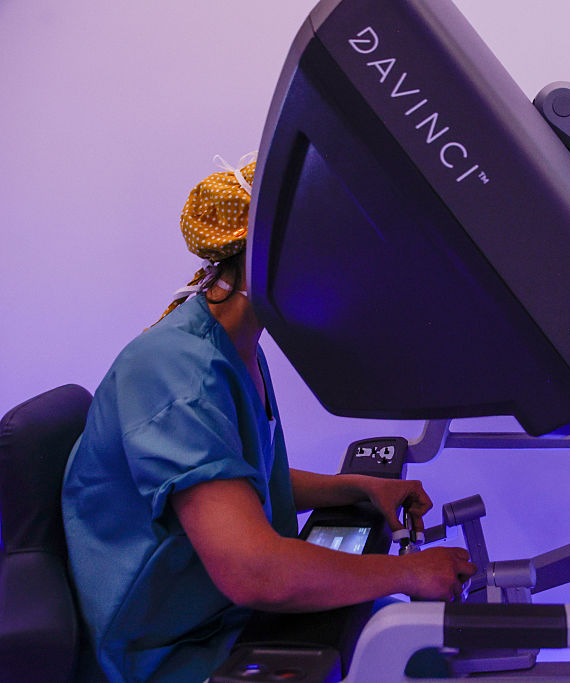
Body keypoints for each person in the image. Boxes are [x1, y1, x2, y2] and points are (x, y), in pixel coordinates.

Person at [62, 155, 475, 683]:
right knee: (414, 655)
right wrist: (409, 570)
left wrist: (355, 488)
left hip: (217, 617)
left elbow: (229, 477)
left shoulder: (235, 344)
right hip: (169, 650)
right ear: (262, 254)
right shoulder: (175, 372)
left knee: (414, 647)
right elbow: (255, 573)